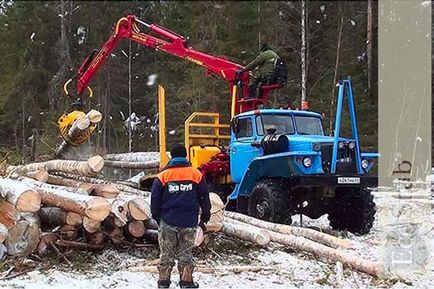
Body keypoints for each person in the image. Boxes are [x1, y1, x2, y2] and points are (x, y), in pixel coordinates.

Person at [151, 144, 211, 289]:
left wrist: (156, 216)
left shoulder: (163, 176)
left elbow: (155, 199)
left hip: (167, 220)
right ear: (185, 156)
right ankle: (186, 282)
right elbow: (204, 196)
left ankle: (164, 283)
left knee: (166, 254)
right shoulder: (196, 174)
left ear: (171, 156)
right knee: (186, 253)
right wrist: (205, 215)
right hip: (188, 221)